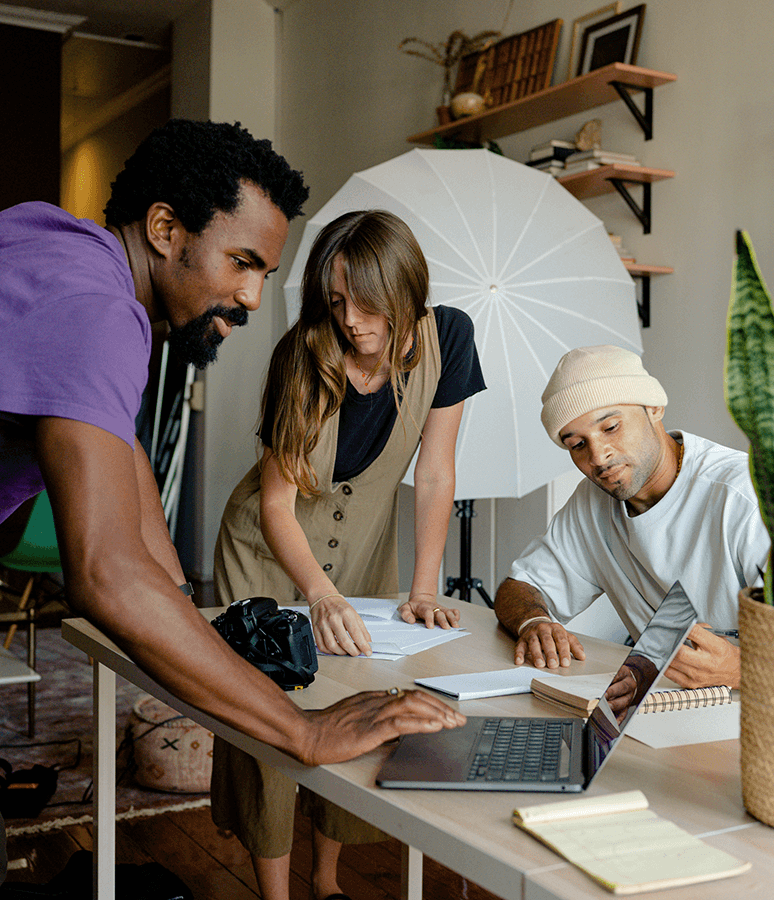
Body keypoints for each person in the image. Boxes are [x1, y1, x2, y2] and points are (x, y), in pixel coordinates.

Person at [0, 121, 464, 900]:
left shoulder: (55, 246)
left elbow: (126, 467)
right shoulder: (94, 310)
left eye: (265, 271)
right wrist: (302, 730)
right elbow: (105, 576)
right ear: (165, 230)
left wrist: (184, 610)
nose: (254, 296)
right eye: (242, 262)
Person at [212, 209, 485, 900]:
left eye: (366, 300)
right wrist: (318, 593)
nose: (352, 320)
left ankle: (328, 882)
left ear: (403, 290)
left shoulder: (448, 338)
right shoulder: (302, 357)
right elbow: (276, 504)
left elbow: (435, 473)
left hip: (365, 548)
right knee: (273, 718)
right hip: (271, 555)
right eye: (336, 302)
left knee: (365, 705)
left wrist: (424, 589)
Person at [493, 344, 769, 690]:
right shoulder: (591, 505)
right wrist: (534, 622)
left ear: (654, 407)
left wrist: (741, 671)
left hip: (768, 716)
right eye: (577, 444)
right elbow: (518, 588)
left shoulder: (745, 499)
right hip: (662, 710)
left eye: (610, 427)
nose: (598, 456)